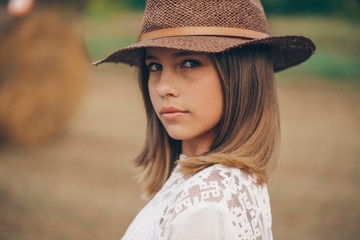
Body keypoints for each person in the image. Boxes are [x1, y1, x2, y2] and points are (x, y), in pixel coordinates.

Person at [94, 0, 315, 239]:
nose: (163, 87)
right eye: (154, 65)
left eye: (189, 63)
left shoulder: (206, 206)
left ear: (242, 74)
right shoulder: (218, 186)